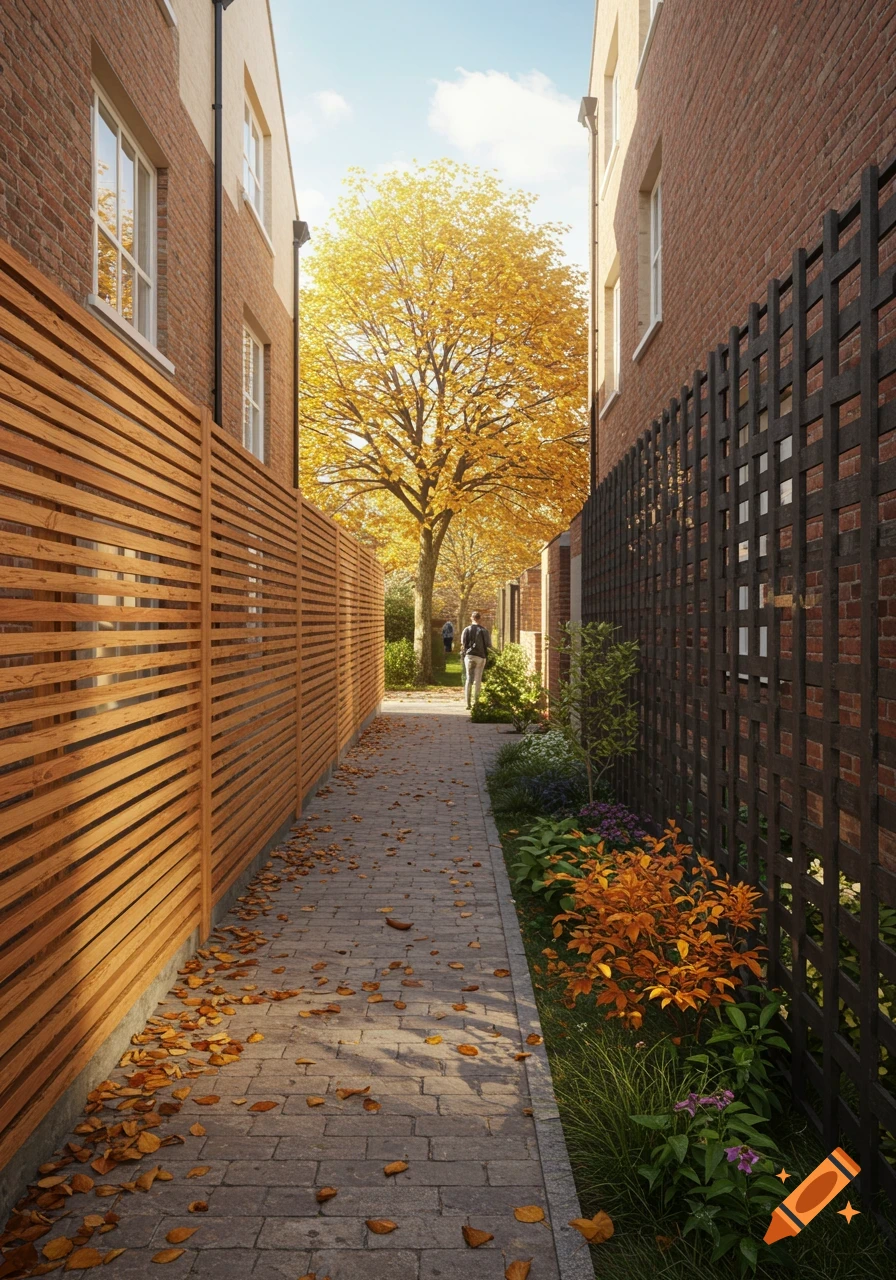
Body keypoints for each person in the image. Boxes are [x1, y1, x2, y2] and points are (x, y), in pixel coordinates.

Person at [460, 611, 490, 710]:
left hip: (469, 656)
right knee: (477, 680)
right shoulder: (484, 631)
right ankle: (476, 703)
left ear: (471, 618)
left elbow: (463, 643)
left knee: (469, 679)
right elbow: (488, 645)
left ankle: (467, 703)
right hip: (480, 657)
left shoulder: (466, 630)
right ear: (479, 618)